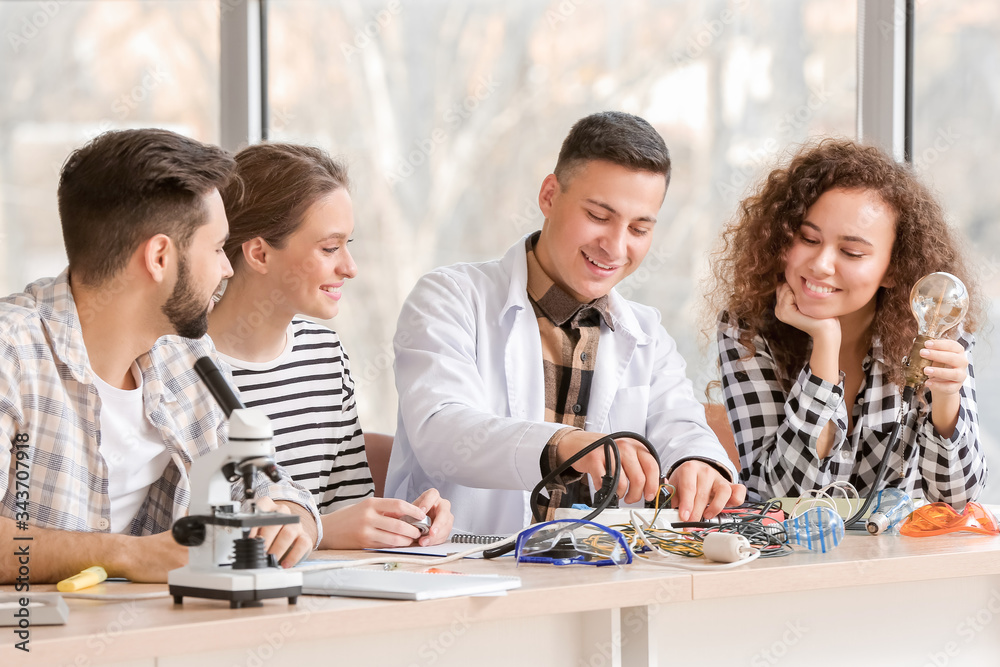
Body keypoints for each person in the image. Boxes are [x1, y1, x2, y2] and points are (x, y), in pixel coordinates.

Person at [387, 111, 746, 536]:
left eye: (639, 228)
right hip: (461, 569)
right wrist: (565, 445)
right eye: (598, 216)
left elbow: (682, 425)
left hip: (589, 575)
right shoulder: (450, 298)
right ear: (549, 195)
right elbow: (441, 431)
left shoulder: (647, 333)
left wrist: (698, 463)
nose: (615, 246)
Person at [0, 129, 321, 585]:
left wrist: (291, 520)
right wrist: (127, 556)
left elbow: (271, 486)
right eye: (216, 249)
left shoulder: (185, 355)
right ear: (159, 257)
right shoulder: (10, 352)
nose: (228, 268)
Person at [709, 138, 987, 504]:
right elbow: (782, 496)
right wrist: (825, 346)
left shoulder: (933, 326)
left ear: (894, 269)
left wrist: (947, 397)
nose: (821, 265)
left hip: (896, 555)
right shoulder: (747, 329)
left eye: (852, 252)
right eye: (808, 238)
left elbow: (956, 498)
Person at [209, 143, 454, 549]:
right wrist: (322, 533)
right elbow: (178, 529)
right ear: (259, 253)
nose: (349, 267)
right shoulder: (180, 365)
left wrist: (405, 522)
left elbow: (347, 506)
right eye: (329, 248)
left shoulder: (323, 353)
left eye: (348, 244)